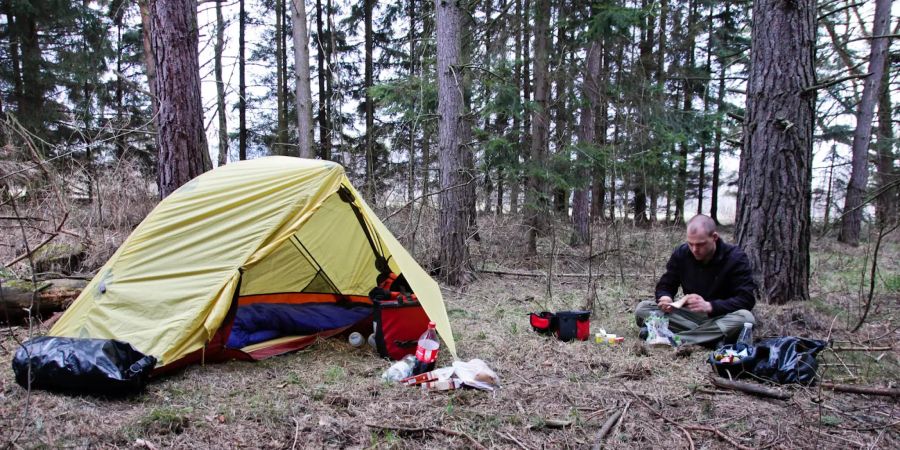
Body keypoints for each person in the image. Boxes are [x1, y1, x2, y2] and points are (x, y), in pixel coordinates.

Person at [635, 214, 757, 347]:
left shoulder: (735, 258)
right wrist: (665, 298)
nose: (695, 249)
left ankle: (675, 339)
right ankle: (711, 338)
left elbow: (746, 299)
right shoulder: (682, 253)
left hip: (722, 316)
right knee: (643, 309)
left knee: (746, 318)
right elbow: (666, 284)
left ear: (714, 237)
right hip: (690, 316)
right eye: (690, 244)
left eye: (700, 244)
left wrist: (710, 306)